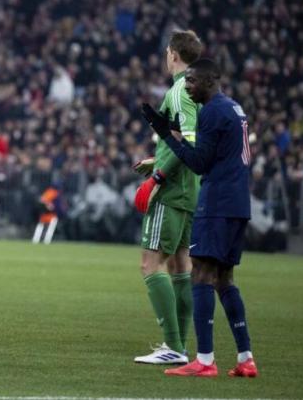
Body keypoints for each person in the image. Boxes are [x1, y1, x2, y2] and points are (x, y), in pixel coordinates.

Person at [142, 58, 257, 377]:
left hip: (217, 202)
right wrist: (172, 132)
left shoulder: (211, 111)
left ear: (208, 81)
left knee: (201, 274)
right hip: (238, 203)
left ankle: (204, 360)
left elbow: (198, 163)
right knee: (225, 279)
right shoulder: (234, 108)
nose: (188, 87)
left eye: (192, 81)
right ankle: (246, 358)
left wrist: (165, 134)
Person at [131, 30, 202, 365]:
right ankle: (181, 345)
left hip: (171, 189)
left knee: (151, 263)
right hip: (191, 189)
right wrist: (155, 158)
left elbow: (185, 141)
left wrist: (158, 174)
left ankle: (173, 345)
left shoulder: (178, 91)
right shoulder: (199, 89)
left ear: (173, 54)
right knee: (180, 264)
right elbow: (192, 140)